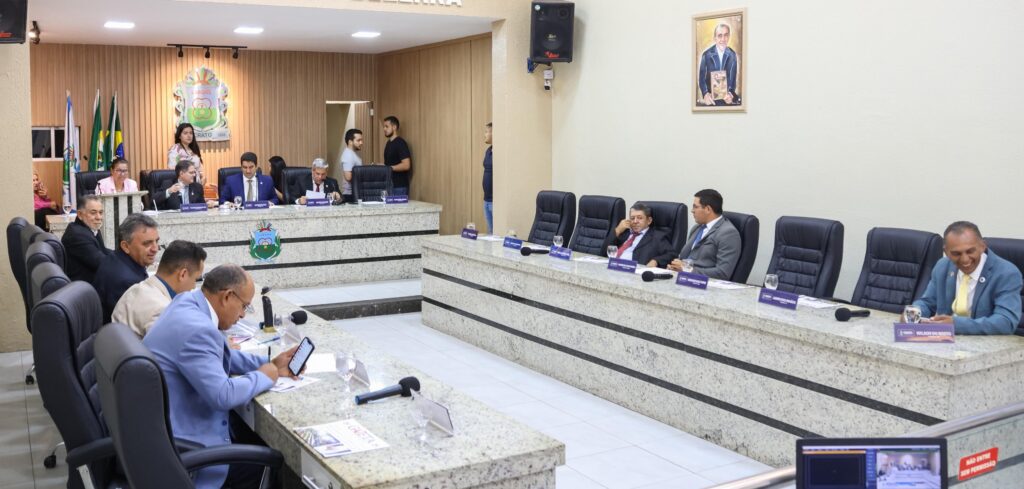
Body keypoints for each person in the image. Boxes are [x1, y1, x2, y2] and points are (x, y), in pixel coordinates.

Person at [143, 264, 300, 489]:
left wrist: (270, 364)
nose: (243, 315)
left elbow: (216, 354)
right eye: (244, 306)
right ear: (227, 296)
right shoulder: (198, 329)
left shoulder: (186, 302)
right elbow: (222, 395)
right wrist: (265, 376)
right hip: (188, 450)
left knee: (253, 439)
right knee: (271, 465)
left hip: (164, 431)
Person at [913, 221, 1022, 334]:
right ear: (946, 252)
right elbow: (927, 303)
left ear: (982, 246)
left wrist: (956, 325)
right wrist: (912, 314)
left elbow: (1006, 322)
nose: (965, 260)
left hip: (985, 342)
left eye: (970, 251)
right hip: (945, 340)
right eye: (956, 254)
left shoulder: (1006, 273)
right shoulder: (942, 266)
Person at [112, 240, 206, 338]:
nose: (194, 287)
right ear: (183, 274)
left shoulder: (135, 289)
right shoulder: (162, 311)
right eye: (195, 279)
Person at [93, 213, 159, 322]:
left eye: (156, 241)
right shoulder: (128, 282)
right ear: (126, 246)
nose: (155, 249)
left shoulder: (115, 258)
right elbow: (141, 323)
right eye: (147, 243)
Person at [668, 189, 741, 280]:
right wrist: (675, 267)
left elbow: (723, 273)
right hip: (683, 279)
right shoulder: (697, 228)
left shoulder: (728, 233)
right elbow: (684, 258)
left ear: (708, 209)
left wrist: (688, 270)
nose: (692, 211)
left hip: (704, 284)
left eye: (695, 207)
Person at [61, 195, 111, 283]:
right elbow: (103, 264)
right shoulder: (77, 236)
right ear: (80, 214)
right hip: (85, 286)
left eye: (101, 212)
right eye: (93, 213)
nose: (98, 217)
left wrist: (125, 254)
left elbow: (103, 250)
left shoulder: (89, 227)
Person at [611, 203, 675, 267]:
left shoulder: (657, 236)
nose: (635, 221)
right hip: (612, 266)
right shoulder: (624, 232)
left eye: (639, 218)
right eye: (632, 218)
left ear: (649, 221)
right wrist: (617, 230)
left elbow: (672, 254)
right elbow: (607, 250)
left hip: (634, 270)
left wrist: (656, 261)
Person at [697, 23, 741, 106]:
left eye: (726, 35)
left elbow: (733, 81)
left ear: (729, 36)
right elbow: (701, 79)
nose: (723, 39)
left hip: (726, 100)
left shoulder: (732, 55)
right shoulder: (706, 55)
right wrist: (705, 94)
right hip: (710, 100)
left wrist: (731, 94)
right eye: (720, 36)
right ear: (715, 38)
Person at [382, 115, 412, 196]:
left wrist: (389, 168)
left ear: (394, 127)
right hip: (389, 185)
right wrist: (382, 166)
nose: (384, 129)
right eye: (384, 127)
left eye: (386, 126)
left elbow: (406, 165)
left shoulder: (400, 143)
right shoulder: (388, 143)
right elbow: (389, 164)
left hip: (399, 186)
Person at [340, 128, 363, 203]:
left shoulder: (352, 153)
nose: (361, 143)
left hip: (354, 192)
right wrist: (365, 174)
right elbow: (348, 177)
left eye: (361, 140)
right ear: (350, 142)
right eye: (358, 140)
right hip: (350, 194)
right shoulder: (348, 155)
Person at [482, 122, 493, 234]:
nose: (484, 134)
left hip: (495, 202)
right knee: (490, 233)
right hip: (486, 200)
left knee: (497, 235)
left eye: (486, 132)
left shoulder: (499, 152)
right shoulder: (488, 151)